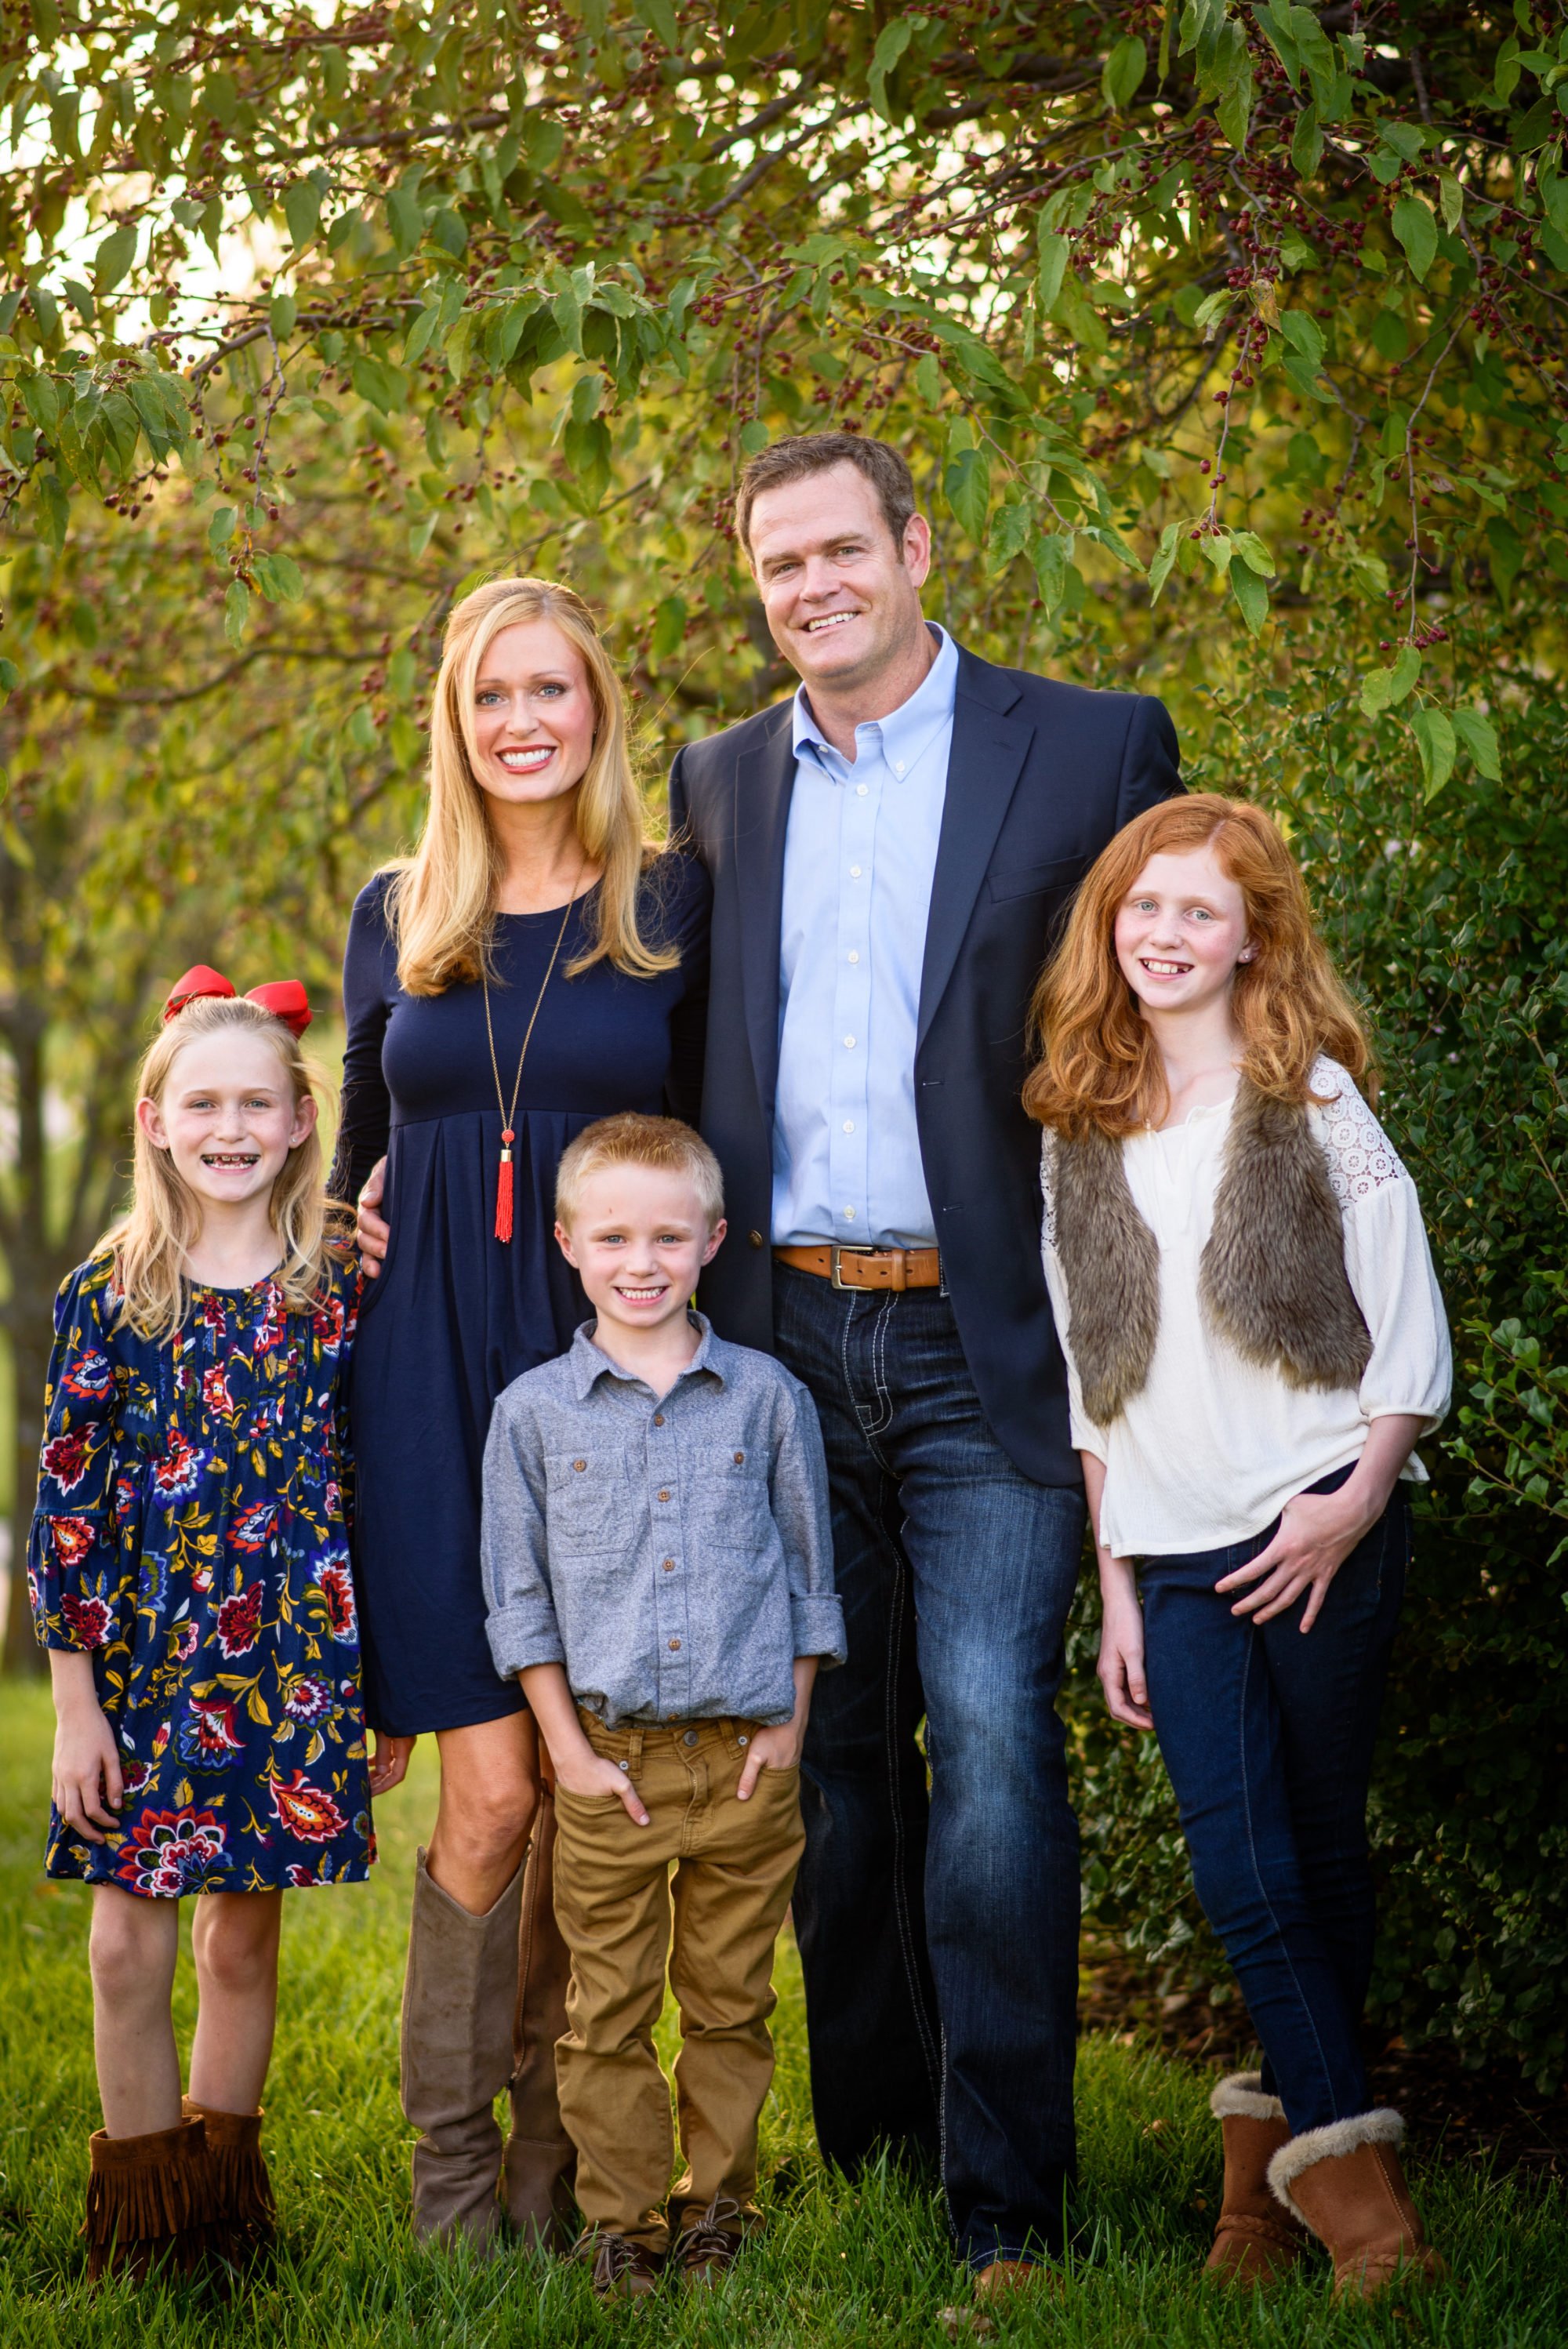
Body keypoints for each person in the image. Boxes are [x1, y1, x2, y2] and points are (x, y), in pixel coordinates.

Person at [666, 432, 1181, 2288]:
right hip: (784, 1332)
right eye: (776, 566)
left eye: (837, 551)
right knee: (837, 1765)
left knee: (989, 1744)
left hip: (994, 1336)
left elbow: (1170, 1017)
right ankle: (876, 2143)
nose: (810, 589)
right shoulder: (718, 779)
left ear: (913, 544)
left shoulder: (1092, 743)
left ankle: (1007, 2197)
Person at [1028, 794, 1450, 2300]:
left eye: (1201, 912)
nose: (1167, 935)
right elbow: (1090, 1381)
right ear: (1112, 926)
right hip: (1175, 1557)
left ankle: (1259, 2198)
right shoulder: (1078, 1125)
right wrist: (1118, 1592)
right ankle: (1372, 2224)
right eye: (1145, 908)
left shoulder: (1316, 1100)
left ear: (1252, 936)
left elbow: (1410, 1330)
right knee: (1246, 1866)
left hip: (1321, 1522)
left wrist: (1356, 1499)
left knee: (1320, 1855)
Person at [336, 577, 709, 2248]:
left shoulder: (672, 908)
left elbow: (711, 1161)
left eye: (551, 688)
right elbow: (347, 1141)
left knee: (589, 1791)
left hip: (601, 1382)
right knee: (487, 1793)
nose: (522, 721)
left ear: (598, 710)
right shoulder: (397, 907)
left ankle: (568, 2173)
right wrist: (340, 1212)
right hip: (418, 1376)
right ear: (456, 717)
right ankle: (455, 2189)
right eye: (492, 694)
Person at [31, 972, 378, 2283]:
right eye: (203, 1104)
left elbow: (366, 1479)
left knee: (242, 1931)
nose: (229, 1127)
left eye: (257, 1104)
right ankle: (142, 2222)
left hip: (285, 1663)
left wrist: (375, 1692)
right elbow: (63, 1514)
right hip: (139, 1671)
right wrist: (76, 1705)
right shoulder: (108, 1295)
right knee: (125, 1939)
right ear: (155, 1121)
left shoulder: (335, 1290)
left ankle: (224, 2209)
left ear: (299, 1122)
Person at [479, 1113, 844, 2300]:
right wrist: (568, 1755)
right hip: (611, 1771)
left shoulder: (768, 1398)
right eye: (616, 1237)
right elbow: (519, 1598)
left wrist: (789, 1725)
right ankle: (623, 2223)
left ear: (714, 1243)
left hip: (743, 1761)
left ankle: (717, 2211)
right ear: (569, 1243)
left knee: (733, 2003)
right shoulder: (534, 1413)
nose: (642, 1262)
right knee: (607, 2012)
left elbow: (809, 1576)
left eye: (669, 1238)